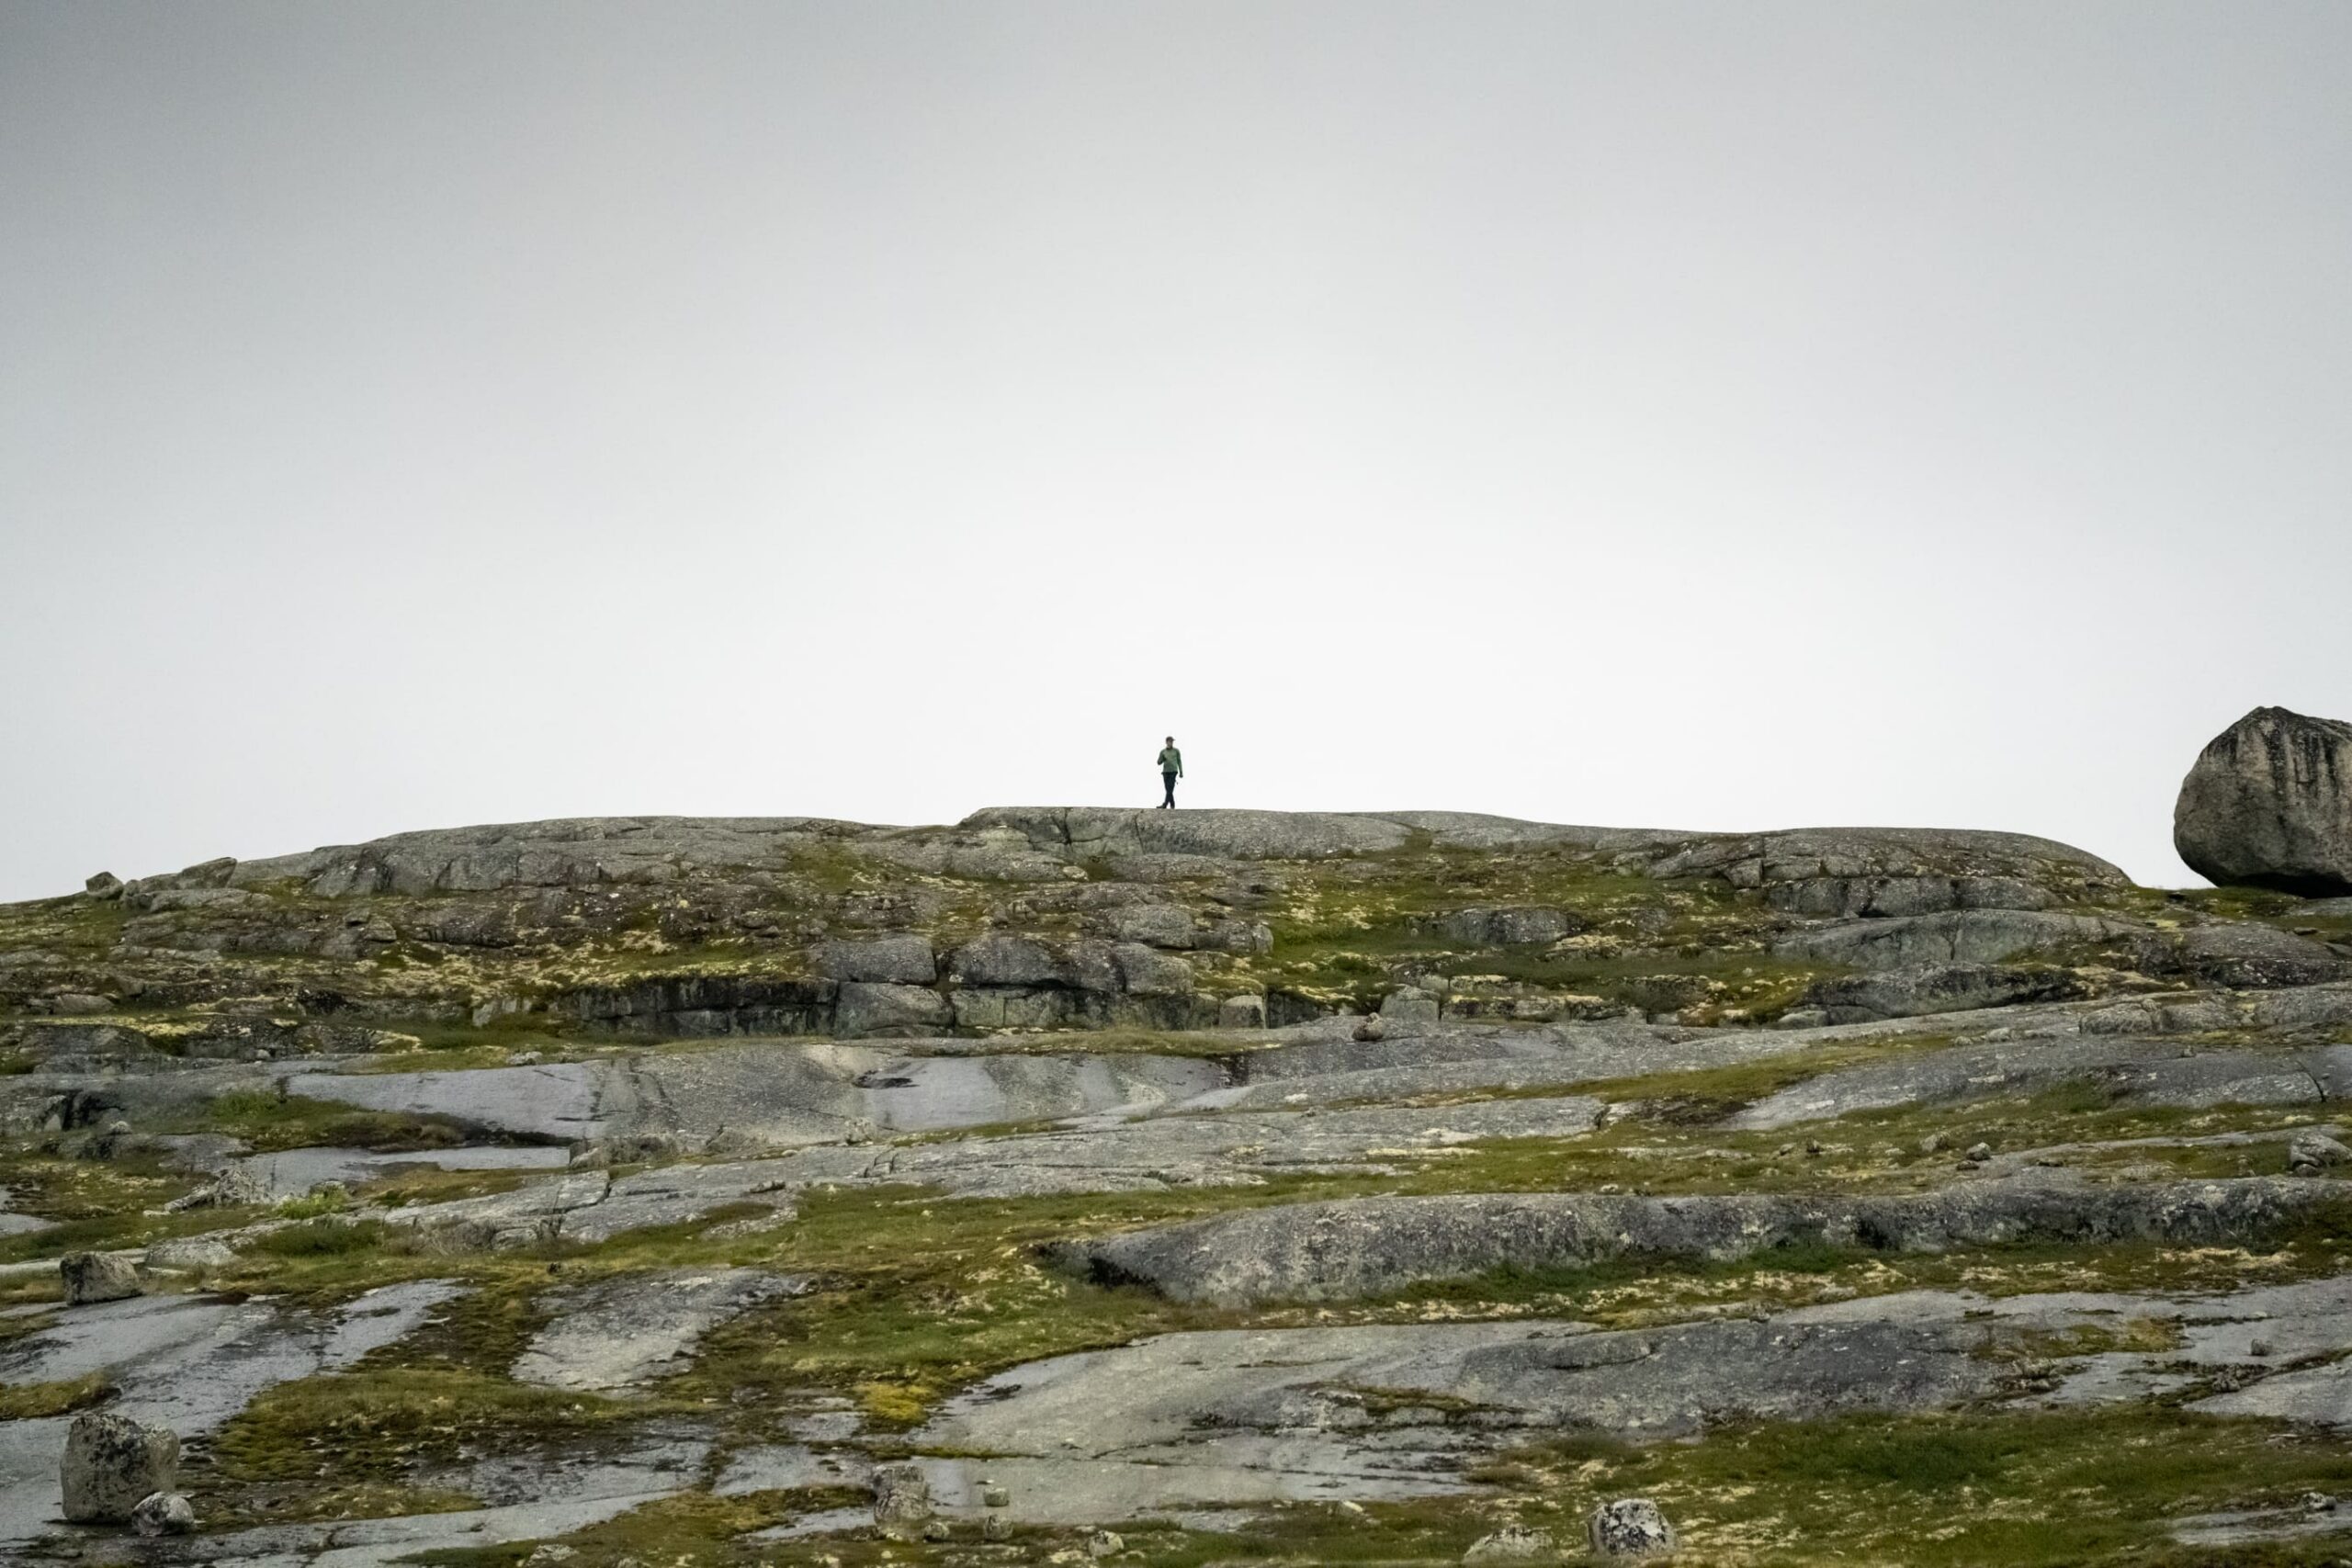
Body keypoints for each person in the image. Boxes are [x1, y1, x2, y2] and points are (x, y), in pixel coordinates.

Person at [1157, 736, 1183, 808]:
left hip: (1173, 771)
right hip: (1165, 772)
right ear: (1166, 742)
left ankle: (1165, 804)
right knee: (1168, 789)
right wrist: (1161, 759)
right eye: (1169, 741)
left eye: (1172, 741)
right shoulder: (1163, 752)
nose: (1171, 743)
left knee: (1170, 788)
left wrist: (1181, 772)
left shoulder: (1176, 751)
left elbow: (1179, 761)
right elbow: (1159, 762)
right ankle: (1172, 804)